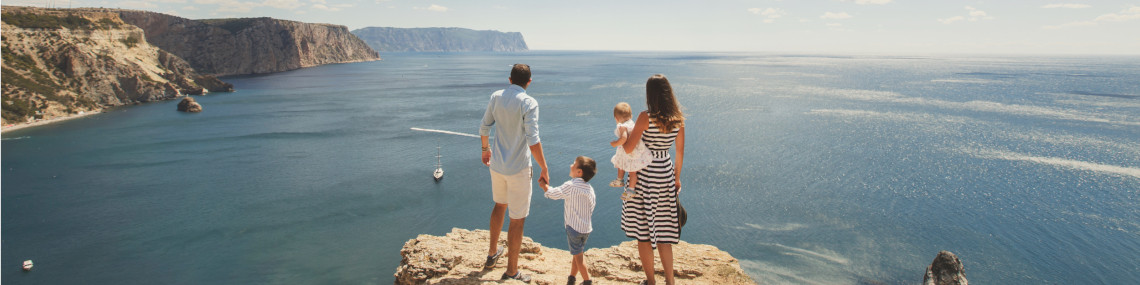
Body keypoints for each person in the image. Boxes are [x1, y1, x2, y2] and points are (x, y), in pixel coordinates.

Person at [479, 63, 550, 283]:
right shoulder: (529, 102)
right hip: (519, 168)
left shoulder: (496, 96)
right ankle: (511, 271)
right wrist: (544, 167)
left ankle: (492, 254)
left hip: (497, 166)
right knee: (517, 219)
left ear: (509, 79)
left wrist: (485, 149)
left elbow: (484, 128)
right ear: (529, 82)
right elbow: (533, 139)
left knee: (499, 205)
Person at [620, 74, 686, 285]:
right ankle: (670, 281)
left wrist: (622, 137)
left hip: (645, 174)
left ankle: (650, 281)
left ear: (651, 94)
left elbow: (630, 148)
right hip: (665, 172)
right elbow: (680, 152)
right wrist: (676, 179)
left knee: (644, 232)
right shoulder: (678, 119)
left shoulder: (645, 117)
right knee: (665, 231)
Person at [539, 156, 597, 285]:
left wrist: (544, 186)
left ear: (579, 172)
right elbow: (592, 205)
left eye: (574, 164)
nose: (571, 165)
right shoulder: (589, 189)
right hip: (586, 228)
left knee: (579, 257)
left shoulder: (570, 185)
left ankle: (587, 281)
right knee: (577, 254)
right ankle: (571, 277)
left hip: (573, 228)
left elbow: (554, 194)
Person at [608, 102, 652, 201]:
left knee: (620, 163)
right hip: (636, 150)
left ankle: (620, 180)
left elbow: (623, 138)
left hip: (627, 150)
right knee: (633, 172)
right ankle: (630, 190)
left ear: (616, 118)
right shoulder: (632, 123)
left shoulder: (622, 126)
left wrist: (615, 143)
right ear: (631, 115)